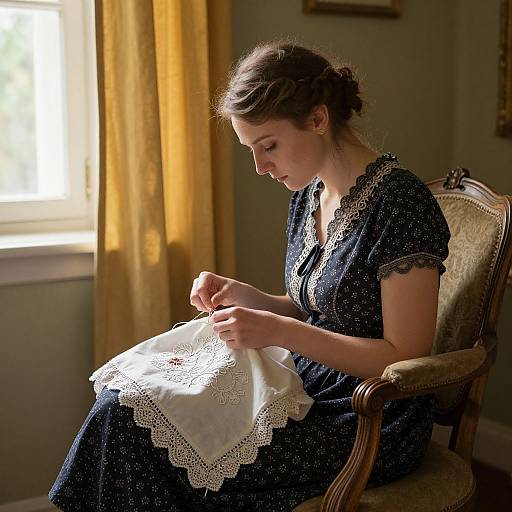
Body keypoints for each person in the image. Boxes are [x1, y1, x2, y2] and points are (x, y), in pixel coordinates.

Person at [49, 41, 450, 512]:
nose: (260, 167)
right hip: (304, 382)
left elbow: (404, 359)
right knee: (121, 407)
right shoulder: (310, 195)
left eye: (269, 146)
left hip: (367, 413)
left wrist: (279, 330)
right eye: (251, 151)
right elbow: (315, 308)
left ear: (318, 119)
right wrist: (252, 299)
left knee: (140, 437)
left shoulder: (399, 204)